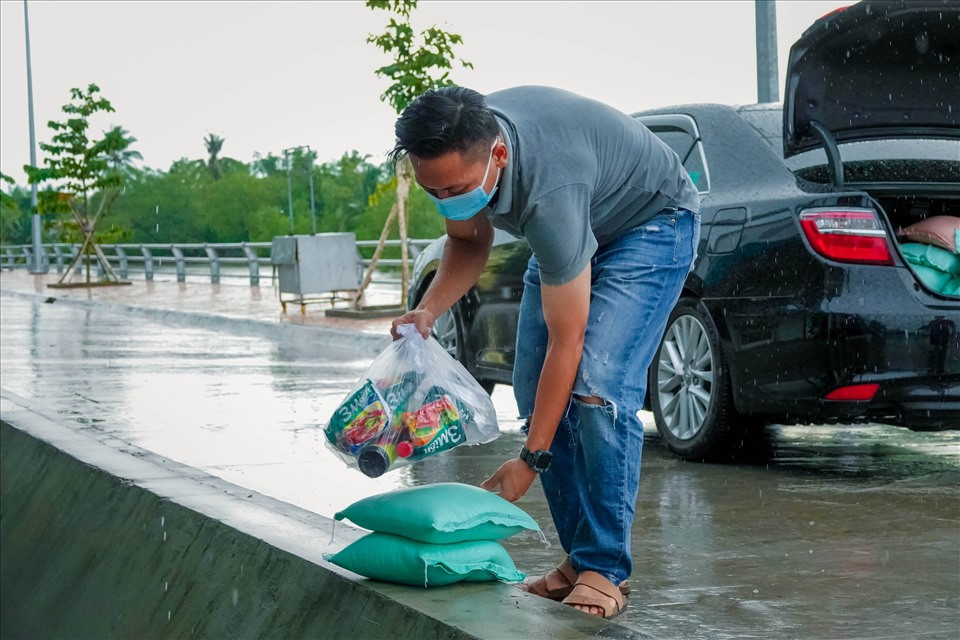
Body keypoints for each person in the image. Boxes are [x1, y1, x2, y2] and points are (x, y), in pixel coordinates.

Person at [388, 85, 700, 618]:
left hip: (651, 223)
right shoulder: (464, 155)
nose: (446, 202)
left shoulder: (550, 186)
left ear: (500, 157)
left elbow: (568, 341)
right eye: (432, 191)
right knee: (533, 390)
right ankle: (579, 560)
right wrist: (430, 309)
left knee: (598, 386)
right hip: (578, 229)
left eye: (455, 189)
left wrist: (530, 460)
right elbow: (467, 242)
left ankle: (605, 567)